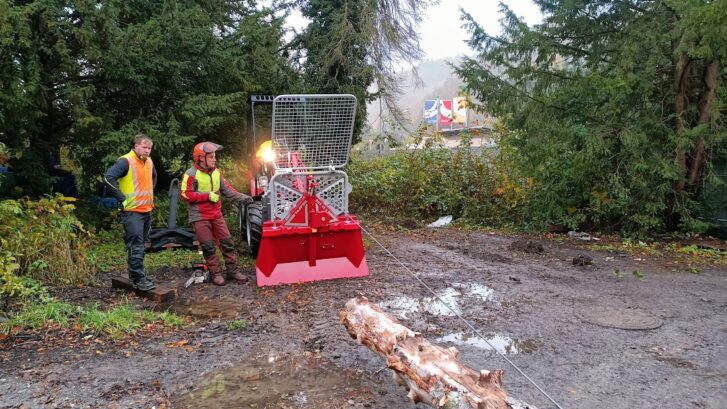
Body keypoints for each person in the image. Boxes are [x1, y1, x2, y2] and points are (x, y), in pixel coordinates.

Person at [180, 142, 253, 286]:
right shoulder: (191, 174)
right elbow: (184, 195)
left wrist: (243, 197)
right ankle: (216, 274)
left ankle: (232, 271)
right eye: (212, 157)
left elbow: (227, 190)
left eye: (215, 156)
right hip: (199, 216)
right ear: (201, 158)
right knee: (208, 246)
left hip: (216, 214)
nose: (215, 159)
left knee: (227, 242)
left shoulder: (216, 172)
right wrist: (206, 196)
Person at [104, 134, 157, 291]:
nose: (147, 151)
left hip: (146, 210)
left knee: (140, 244)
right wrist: (121, 198)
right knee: (136, 246)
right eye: (144, 147)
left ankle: (136, 275)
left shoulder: (149, 162)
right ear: (136, 146)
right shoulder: (126, 161)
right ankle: (139, 279)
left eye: (149, 148)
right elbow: (108, 178)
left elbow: (153, 178)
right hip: (132, 212)